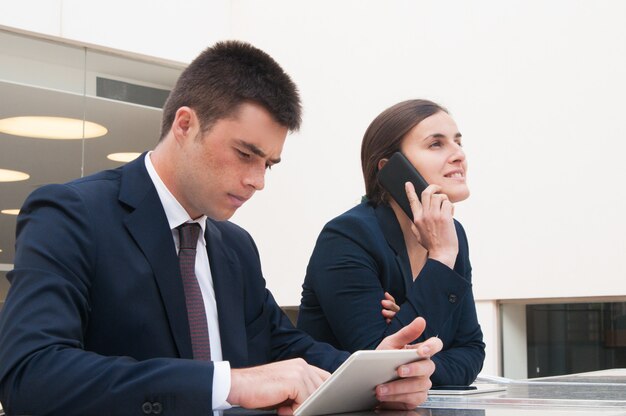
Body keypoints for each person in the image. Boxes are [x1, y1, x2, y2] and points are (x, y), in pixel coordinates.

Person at [0, 43, 443, 415]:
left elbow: (283, 344)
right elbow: (31, 376)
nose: (258, 180)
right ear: (185, 125)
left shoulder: (235, 246)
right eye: (245, 154)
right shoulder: (72, 213)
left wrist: (378, 372)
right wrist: (226, 383)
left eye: (268, 163)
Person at [297, 99, 485, 386]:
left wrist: (422, 360)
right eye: (436, 144)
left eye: (457, 142)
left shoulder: (452, 233)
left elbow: (472, 350)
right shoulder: (347, 236)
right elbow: (381, 365)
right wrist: (441, 257)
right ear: (390, 168)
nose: (459, 154)